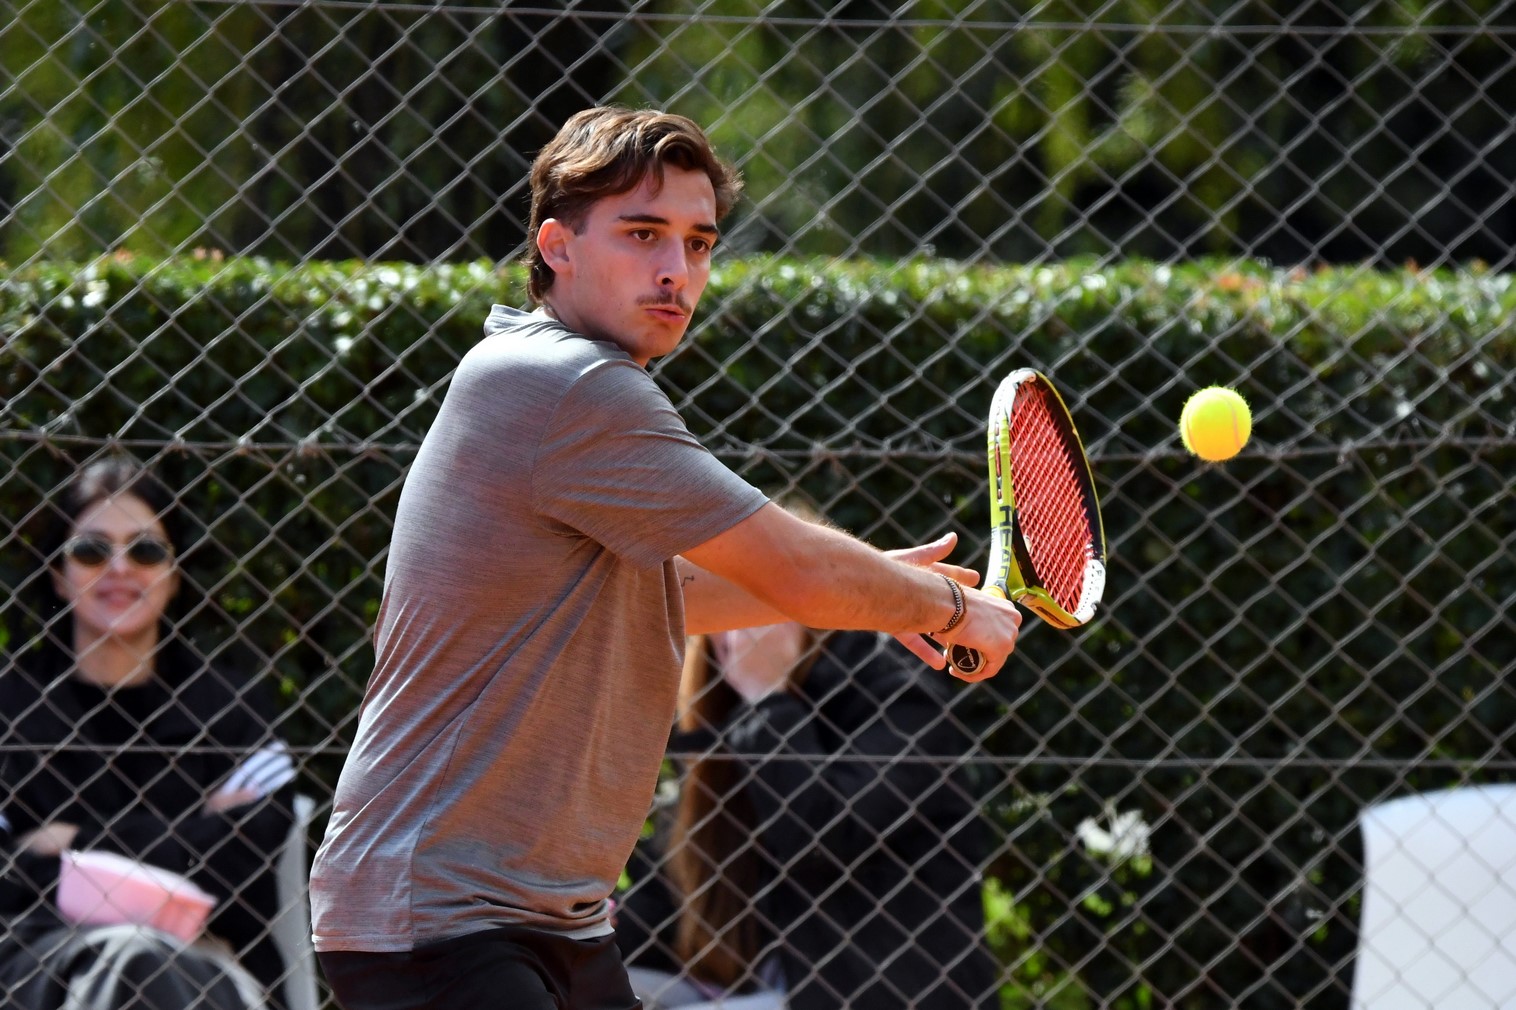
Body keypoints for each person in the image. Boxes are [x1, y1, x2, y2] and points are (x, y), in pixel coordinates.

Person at [308, 104, 1023, 1010]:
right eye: (643, 234)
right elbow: (796, 569)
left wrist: (882, 589)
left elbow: (669, 589)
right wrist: (949, 608)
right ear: (557, 246)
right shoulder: (567, 383)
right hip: (438, 916)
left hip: (549, 917)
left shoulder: (542, 375)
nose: (676, 271)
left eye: (699, 243)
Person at [0, 455, 299, 1009]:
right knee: (132, 959)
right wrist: (191, 836)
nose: (120, 568)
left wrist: (71, 843)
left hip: (205, 959)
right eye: (91, 551)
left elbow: (245, 869)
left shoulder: (231, 709)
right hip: (37, 960)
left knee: (144, 963)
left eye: (145, 550)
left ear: (174, 574)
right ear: (58, 576)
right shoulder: (9, 706)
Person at [616, 623, 1000, 1010]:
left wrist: (767, 700)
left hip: (872, 993)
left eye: (759, 602)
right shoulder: (721, 699)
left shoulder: (892, 687)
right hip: (756, 987)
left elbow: (822, 840)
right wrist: (601, 923)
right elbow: (675, 890)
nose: (736, 629)